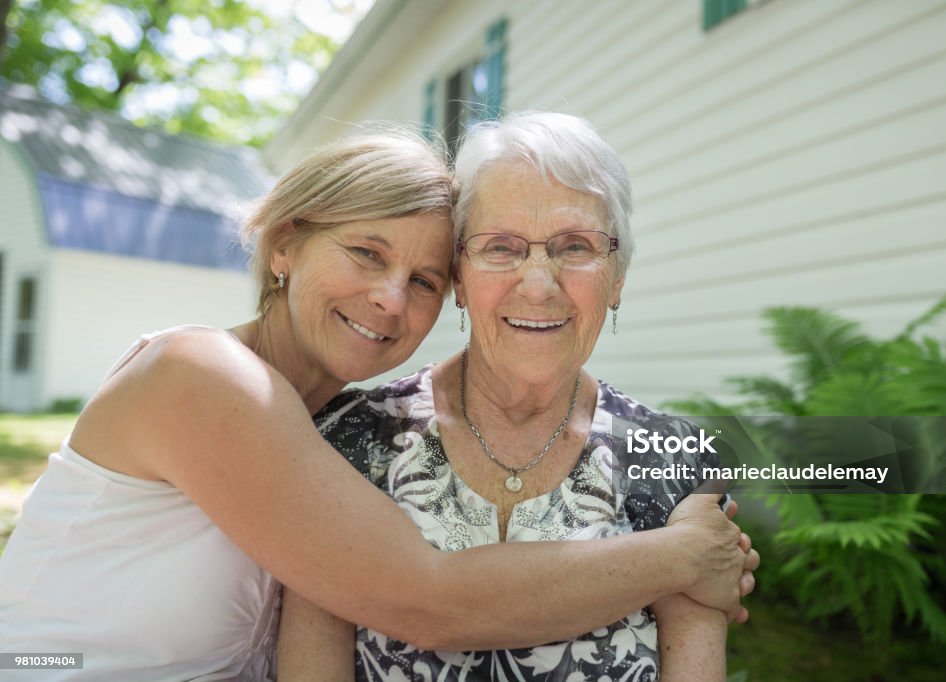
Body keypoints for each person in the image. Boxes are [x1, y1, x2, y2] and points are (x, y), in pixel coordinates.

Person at [0, 125, 757, 681]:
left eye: (424, 280)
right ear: (286, 245)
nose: (391, 300)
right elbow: (426, 601)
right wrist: (682, 556)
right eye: (365, 253)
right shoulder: (204, 376)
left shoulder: (317, 424)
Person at [281, 113, 748, 681]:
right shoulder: (350, 438)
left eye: (575, 246)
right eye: (500, 247)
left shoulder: (673, 459)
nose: (537, 283)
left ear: (617, 277)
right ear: (459, 275)